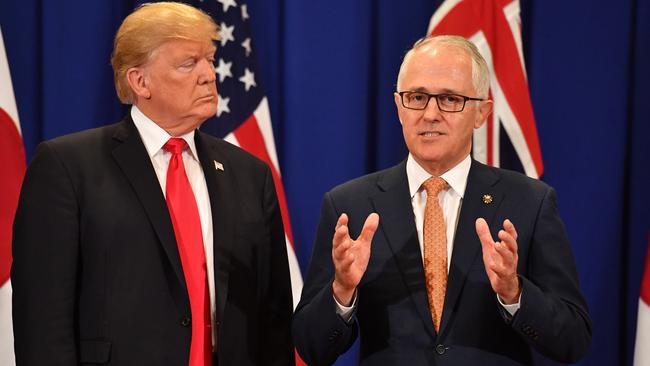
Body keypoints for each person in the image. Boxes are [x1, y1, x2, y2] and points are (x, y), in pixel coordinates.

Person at [11, 3, 294, 365]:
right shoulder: (68, 167)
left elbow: (273, 317)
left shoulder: (250, 174)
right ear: (140, 81)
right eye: (188, 63)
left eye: (210, 59)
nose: (209, 74)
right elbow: (43, 322)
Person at [292, 35, 592, 365]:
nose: (430, 113)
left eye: (450, 99)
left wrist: (514, 291)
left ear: (482, 112)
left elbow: (572, 340)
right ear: (398, 107)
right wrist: (342, 290)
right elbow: (312, 347)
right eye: (417, 97)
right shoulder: (350, 206)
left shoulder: (529, 202)